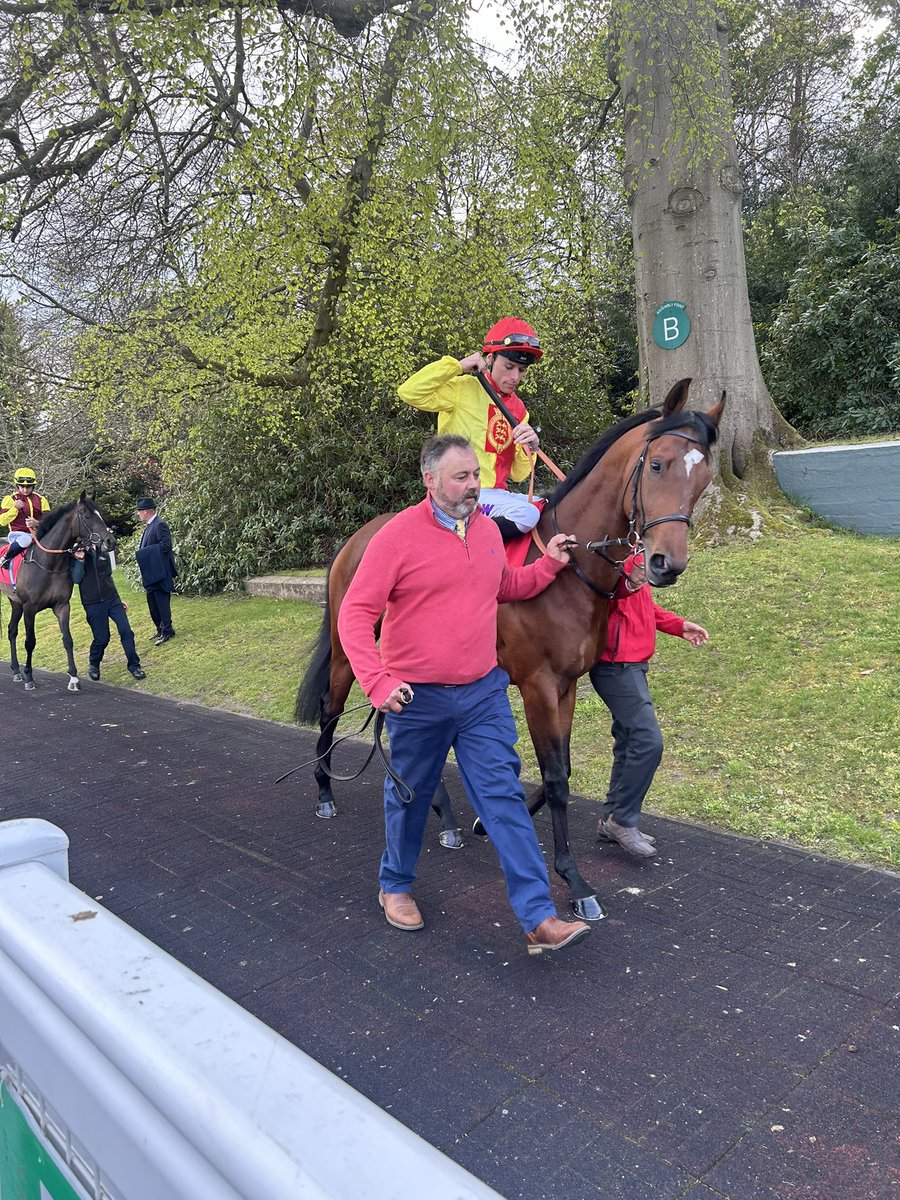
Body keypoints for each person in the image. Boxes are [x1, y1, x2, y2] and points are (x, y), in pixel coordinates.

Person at [337, 433, 591, 956]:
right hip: (418, 700)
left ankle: (538, 915)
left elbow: (503, 587)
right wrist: (378, 683)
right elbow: (355, 615)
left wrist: (549, 566)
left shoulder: (488, 533)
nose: (474, 485)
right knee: (408, 799)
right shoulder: (397, 537)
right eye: (461, 477)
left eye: (475, 475)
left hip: (481, 695)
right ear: (430, 480)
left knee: (503, 800)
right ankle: (396, 886)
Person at [590, 553, 709, 858]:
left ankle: (609, 820)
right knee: (648, 742)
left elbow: (644, 607)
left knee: (629, 741)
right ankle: (622, 820)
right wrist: (633, 571)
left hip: (632, 666)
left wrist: (679, 626)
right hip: (616, 667)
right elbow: (620, 589)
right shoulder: (614, 558)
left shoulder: (637, 548)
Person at [398, 318, 544, 539]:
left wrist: (530, 448)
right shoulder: (462, 389)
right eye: (509, 367)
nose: (515, 377)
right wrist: (458, 365)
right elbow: (409, 392)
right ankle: (471, 546)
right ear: (490, 359)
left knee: (549, 505)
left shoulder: (520, 410)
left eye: (522, 370)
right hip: (459, 493)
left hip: (496, 497)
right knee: (527, 514)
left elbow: (518, 474)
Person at [71, 548, 146, 681]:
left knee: (126, 631)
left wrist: (118, 599)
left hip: (112, 599)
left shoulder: (104, 553)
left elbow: (109, 576)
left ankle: (134, 666)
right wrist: (80, 560)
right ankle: (94, 664)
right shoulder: (77, 554)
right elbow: (76, 579)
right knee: (102, 638)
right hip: (92, 603)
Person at [134, 497, 178, 645]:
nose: (138, 514)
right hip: (151, 573)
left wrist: (144, 554)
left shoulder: (159, 524)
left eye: (139, 511)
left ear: (146, 511)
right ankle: (160, 628)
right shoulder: (149, 526)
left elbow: (166, 546)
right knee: (152, 603)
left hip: (160, 572)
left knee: (161, 603)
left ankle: (167, 630)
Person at [0, 467, 50, 571]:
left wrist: (37, 523)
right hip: (18, 534)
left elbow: (49, 521)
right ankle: (5, 558)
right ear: (17, 485)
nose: (25, 489)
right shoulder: (9, 499)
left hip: (38, 534)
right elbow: (2, 521)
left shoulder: (41, 499)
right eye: (22, 486)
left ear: (33, 486)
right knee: (26, 540)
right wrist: (14, 509)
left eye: (28, 487)